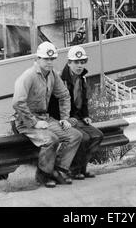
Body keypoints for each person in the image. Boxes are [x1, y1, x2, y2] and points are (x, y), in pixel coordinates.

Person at [12, 41, 82, 188]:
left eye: (52, 59)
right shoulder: (28, 76)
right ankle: (43, 175)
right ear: (38, 59)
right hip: (26, 122)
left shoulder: (52, 75)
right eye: (46, 59)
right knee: (51, 139)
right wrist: (34, 122)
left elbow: (64, 95)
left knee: (75, 135)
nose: (50, 62)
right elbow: (18, 102)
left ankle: (59, 170)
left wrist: (64, 118)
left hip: (45, 118)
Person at [61, 45, 104, 180]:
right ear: (69, 63)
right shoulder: (61, 80)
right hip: (65, 119)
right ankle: (74, 170)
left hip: (78, 118)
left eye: (82, 62)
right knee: (83, 137)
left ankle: (82, 168)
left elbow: (83, 100)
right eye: (76, 62)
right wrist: (64, 119)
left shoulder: (82, 79)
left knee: (97, 136)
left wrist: (86, 116)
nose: (79, 66)